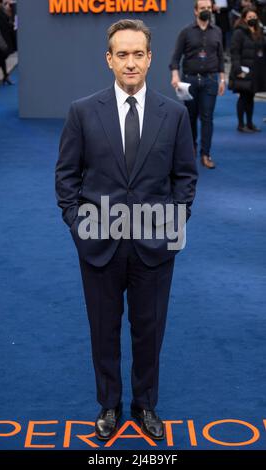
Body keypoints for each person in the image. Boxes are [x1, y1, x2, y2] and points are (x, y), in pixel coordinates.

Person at [55, 19, 198, 441]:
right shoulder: (83, 111)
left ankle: (145, 404)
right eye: (122, 54)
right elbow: (66, 179)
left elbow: (185, 178)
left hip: (155, 244)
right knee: (103, 328)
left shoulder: (173, 114)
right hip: (99, 243)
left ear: (150, 58)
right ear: (109, 59)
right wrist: (79, 227)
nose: (130, 62)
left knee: (149, 328)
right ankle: (109, 404)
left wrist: (173, 222)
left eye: (138, 54)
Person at [170, 0, 226, 170]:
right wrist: (175, 75)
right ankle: (192, 146)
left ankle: (206, 154)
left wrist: (222, 79)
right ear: (195, 11)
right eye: (203, 8)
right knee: (190, 117)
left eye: (208, 8)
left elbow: (221, 58)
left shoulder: (217, 31)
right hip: (190, 81)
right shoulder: (186, 32)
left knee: (207, 118)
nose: (206, 11)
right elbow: (175, 57)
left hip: (210, 81)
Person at [229, 6, 266, 131]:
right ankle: (241, 124)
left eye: (255, 17)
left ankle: (250, 123)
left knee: (251, 97)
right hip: (242, 72)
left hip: (255, 71)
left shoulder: (259, 32)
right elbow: (234, 53)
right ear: (244, 18)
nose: (253, 19)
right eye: (250, 17)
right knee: (243, 97)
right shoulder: (238, 32)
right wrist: (238, 70)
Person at [0, 0, 15, 84]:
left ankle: (6, 76)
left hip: (3, 37)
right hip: (1, 38)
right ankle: (6, 76)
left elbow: (7, 21)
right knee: (2, 56)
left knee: (2, 57)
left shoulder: (2, 10)